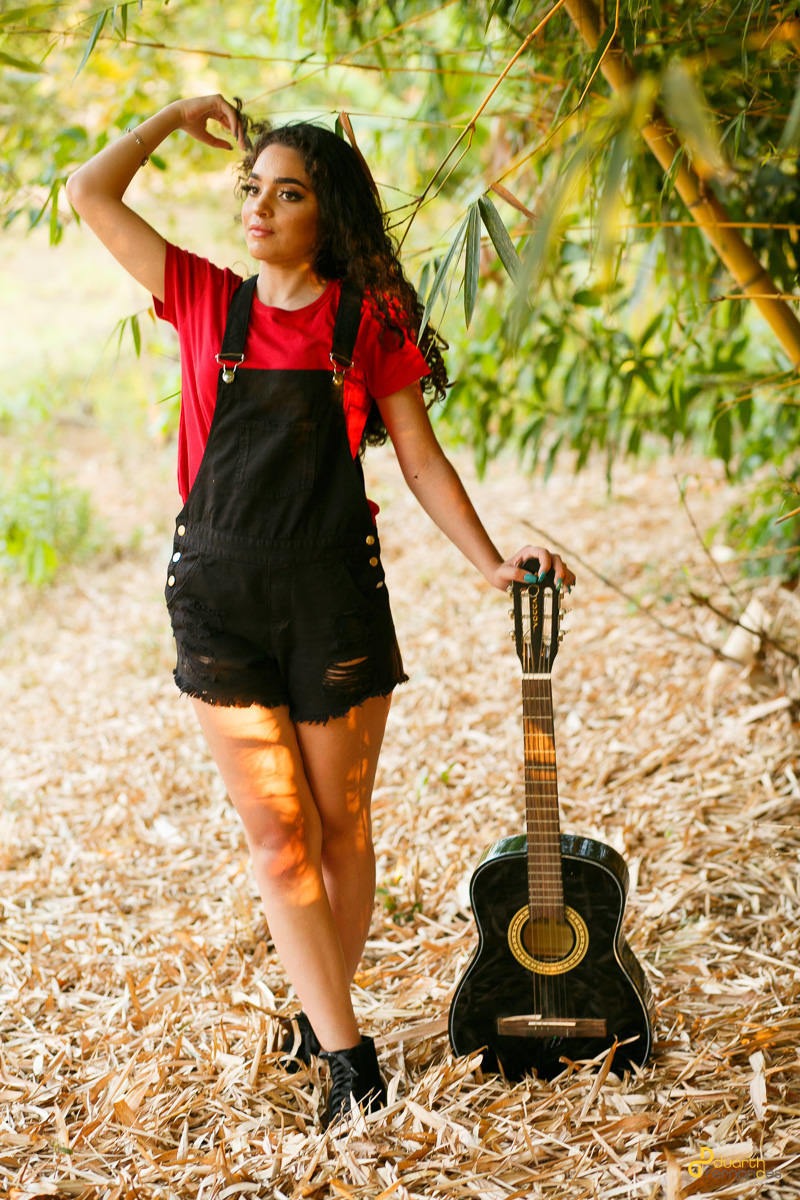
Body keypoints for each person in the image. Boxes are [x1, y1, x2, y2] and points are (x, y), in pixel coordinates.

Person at [66, 94, 575, 1131]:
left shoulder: (366, 323)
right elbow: (87, 191)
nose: (257, 207)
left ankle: (318, 1010)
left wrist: (486, 562)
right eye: (250, 188)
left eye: (284, 193)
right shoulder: (203, 299)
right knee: (278, 839)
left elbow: (420, 461)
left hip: (334, 596)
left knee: (341, 830)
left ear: (325, 215)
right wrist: (172, 116)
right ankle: (349, 1056)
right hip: (218, 595)